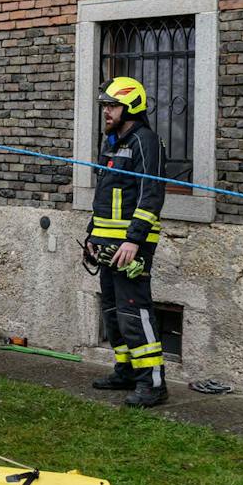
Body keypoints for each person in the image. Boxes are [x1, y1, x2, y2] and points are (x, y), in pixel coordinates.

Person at [87, 76, 168, 407]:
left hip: (131, 246)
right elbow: (104, 195)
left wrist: (135, 240)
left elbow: (151, 193)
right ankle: (126, 370)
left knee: (134, 311)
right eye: (105, 105)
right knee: (112, 310)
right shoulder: (111, 142)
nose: (107, 111)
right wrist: (92, 233)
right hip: (107, 243)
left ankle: (153, 382)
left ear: (131, 107)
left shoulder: (144, 141)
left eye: (112, 105)